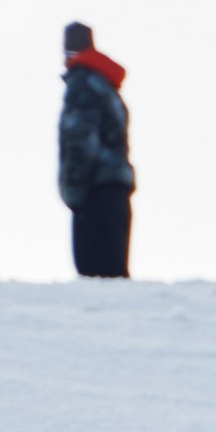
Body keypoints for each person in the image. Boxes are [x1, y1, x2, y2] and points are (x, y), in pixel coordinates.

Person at [58, 21, 134, 279]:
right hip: (116, 189)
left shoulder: (82, 82)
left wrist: (72, 191)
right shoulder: (106, 86)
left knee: (95, 278)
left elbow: (80, 137)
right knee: (114, 276)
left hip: (95, 191)